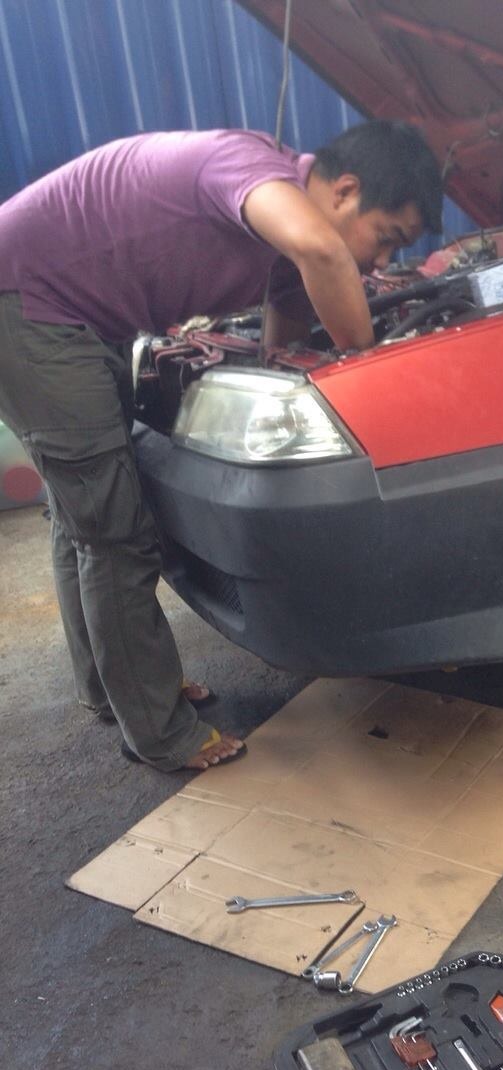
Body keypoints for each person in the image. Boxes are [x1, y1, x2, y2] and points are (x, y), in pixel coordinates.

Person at [0, 122, 443, 771]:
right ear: (345, 191)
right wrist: (368, 362)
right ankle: (158, 732)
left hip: (76, 313)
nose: (380, 263)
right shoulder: (248, 168)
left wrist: (287, 367)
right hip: (27, 304)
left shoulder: (283, 230)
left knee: (85, 517)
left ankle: (117, 686)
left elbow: (286, 322)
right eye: (387, 239)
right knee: (114, 532)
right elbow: (321, 250)